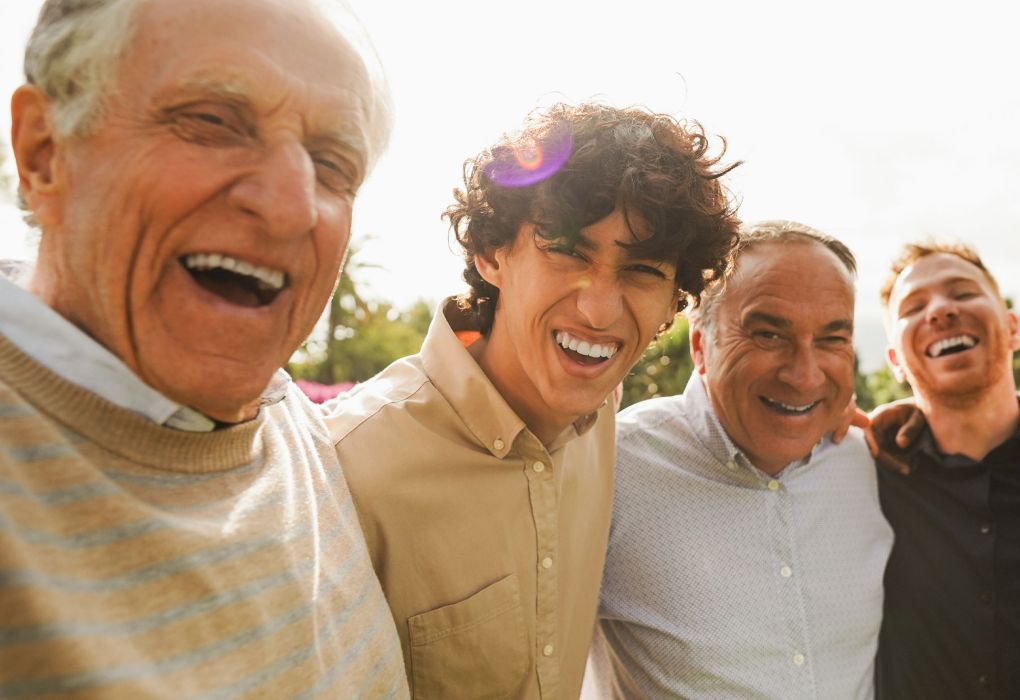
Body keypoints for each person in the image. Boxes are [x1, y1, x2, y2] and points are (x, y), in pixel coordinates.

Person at [0, 0, 407, 696]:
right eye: (213, 122)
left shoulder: (290, 419)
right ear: (45, 152)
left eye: (332, 164)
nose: (292, 207)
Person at [324, 103, 742, 698]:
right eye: (568, 251)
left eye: (643, 270)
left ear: (674, 301)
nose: (599, 310)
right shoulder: (352, 466)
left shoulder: (600, 408)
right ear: (491, 254)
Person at [589, 221, 894, 699]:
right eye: (769, 334)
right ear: (700, 344)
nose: (804, 375)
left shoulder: (873, 462)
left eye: (832, 339)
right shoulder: (611, 469)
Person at [876, 240, 1020, 699]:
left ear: (1013, 328)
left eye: (962, 293)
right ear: (895, 362)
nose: (940, 310)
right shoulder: (862, 472)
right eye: (914, 307)